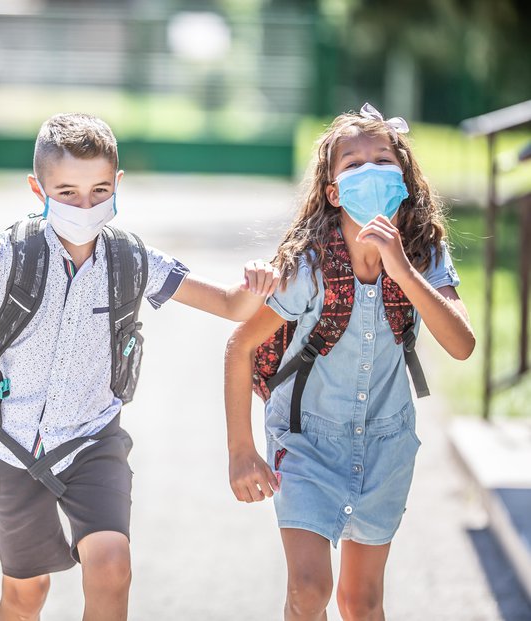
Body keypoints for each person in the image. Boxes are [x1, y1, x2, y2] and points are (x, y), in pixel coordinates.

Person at [0, 112, 279, 621]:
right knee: (26, 592)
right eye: (67, 192)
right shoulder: (11, 254)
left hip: (92, 439)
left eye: (100, 190)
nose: (85, 205)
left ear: (118, 185)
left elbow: (232, 305)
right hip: (11, 446)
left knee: (111, 564)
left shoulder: (131, 260)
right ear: (38, 188)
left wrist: (258, 280)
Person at [224, 104, 475, 621]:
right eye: (353, 165)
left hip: (387, 445)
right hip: (306, 443)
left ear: (403, 179)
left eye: (383, 160)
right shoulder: (311, 264)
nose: (370, 171)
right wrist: (242, 450)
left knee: (362, 603)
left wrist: (401, 269)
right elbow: (240, 346)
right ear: (333, 192)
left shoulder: (425, 253)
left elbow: (462, 344)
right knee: (308, 593)